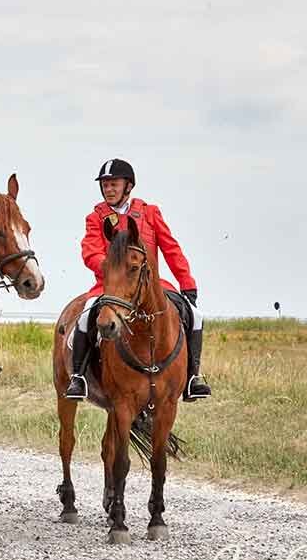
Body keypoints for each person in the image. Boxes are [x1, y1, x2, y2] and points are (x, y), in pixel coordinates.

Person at [65, 158, 211, 402]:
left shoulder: (149, 213)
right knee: (84, 316)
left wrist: (187, 282)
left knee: (195, 315)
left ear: (128, 186)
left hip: (151, 286)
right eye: (105, 185)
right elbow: (89, 251)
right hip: (110, 286)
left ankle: (192, 378)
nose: (109, 189)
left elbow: (171, 248)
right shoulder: (95, 217)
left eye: (114, 184)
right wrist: (112, 269)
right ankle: (78, 377)